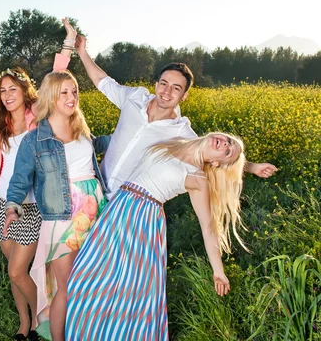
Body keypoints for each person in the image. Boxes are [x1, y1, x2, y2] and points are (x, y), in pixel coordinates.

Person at [66, 132, 247, 340]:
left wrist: (218, 271)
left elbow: (208, 226)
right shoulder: (177, 141)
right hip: (118, 209)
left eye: (227, 152)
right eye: (229, 141)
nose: (225, 144)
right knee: (85, 276)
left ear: (216, 163)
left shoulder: (198, 178)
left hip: (143, 220)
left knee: (130, 292)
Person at [71, 31, 277, 199]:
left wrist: (251, 167)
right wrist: (82, 52)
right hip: (94, 190)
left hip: (124, 202)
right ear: (156, 84)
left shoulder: (180, 130)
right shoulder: (134, 98)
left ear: (184, 95)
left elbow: (211, 155)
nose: (167, 92)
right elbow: (103, 81)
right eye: (164, 84)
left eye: (176, 88)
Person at [4, 70, 109, 341]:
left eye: (74, 91)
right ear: (51, 95)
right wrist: (12, 207)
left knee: (90, 281)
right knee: (66, 287)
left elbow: (101, 149)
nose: (71, 97)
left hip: (94, 209)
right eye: (64, 92)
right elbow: (19, 179)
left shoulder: (81, 126)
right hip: (62, 215)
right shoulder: (34, 139)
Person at [0, 19, 75, 341]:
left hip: (31, 206)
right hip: (0, 203)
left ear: (25, 91)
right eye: (2, 91)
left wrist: (68, 43)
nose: (8, 95)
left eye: (13, 88)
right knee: (15, 272)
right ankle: (24, 325)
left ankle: (42, 319)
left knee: (17, 271)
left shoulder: (37, 115)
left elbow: (57, 73)